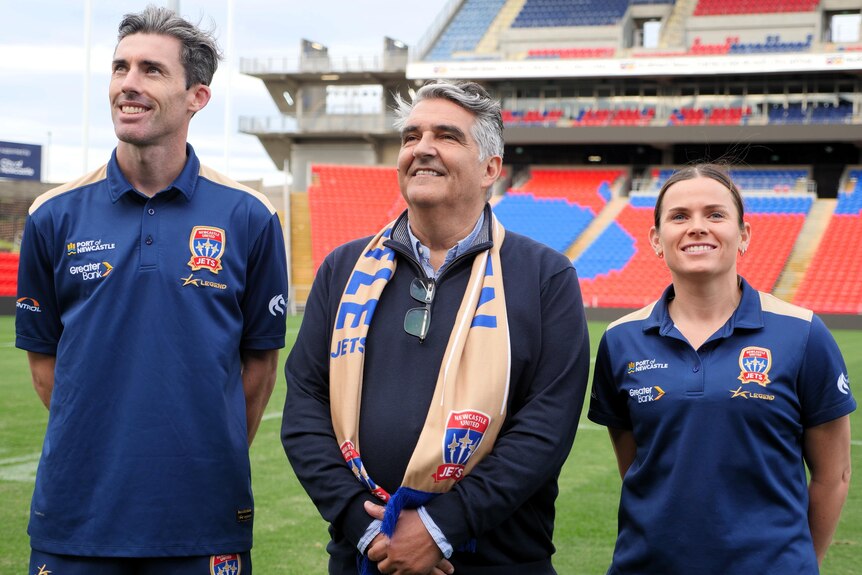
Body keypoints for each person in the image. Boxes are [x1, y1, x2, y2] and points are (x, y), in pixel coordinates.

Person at [15, 5, 287, 574]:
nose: (128, 85)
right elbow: (47, 368)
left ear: (198, 97)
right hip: (77, 518)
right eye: (120, 68)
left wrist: (198, 447)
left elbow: (258, 369)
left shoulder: (250, 217)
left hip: (203, 517)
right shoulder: (53, 215)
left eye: (151, 70)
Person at [281, 80, 590, 574]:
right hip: (365, 558)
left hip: (496, 560)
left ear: (491, 168)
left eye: (446, 136)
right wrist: (365, 528)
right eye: (411, 136)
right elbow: (304, 407)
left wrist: (442, 527)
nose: (422, 148)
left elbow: (545, 430)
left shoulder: (544, 276)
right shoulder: (343, 268)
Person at [588, 163, 855, 574]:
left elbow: (833, 476)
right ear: (657, 241)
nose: (697, 227)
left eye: (715, 214)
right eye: (679, 216)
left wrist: (798, 563)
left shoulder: (803, 333)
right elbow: (638, 467)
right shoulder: (621, 340)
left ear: (743, 234)